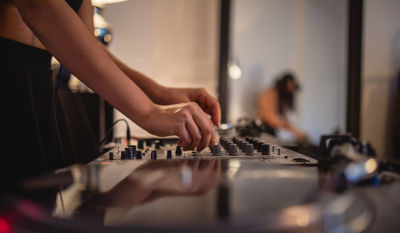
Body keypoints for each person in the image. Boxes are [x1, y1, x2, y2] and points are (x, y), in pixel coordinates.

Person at [0, 0, 220, 182]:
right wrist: (148, 113)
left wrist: (159, 94)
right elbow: (38, 5)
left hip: (40, 81)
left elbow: (89, 47)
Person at [257, 72, 306, 141]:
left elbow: (286, 120)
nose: (291, 91)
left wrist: (297, 132)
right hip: (264, 130)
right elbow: (271, 119)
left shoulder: (282, 98)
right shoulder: (270, 93)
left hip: (273, 130)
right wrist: (293, 131)